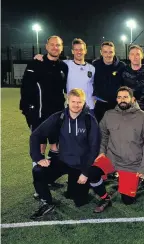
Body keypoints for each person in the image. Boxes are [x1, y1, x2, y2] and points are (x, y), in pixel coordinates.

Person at [29, 88, 100, 220]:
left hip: (80, 165)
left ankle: (85, 183)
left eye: (79, 102)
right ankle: (46, 202)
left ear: (84, 102)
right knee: (38, 171)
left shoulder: (90, 120)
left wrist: (85, 172)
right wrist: (38, 158)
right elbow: (35, 135)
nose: (76, 105)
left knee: (79, 201)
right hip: (62, 160)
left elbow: (94, 149)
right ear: (68, 101)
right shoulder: (58, 117)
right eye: (73, 101)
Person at [87, 86, 144, 212]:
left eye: (125, 97)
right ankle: (105, 197)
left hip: (131, 164)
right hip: (111, 159)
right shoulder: (109, 114)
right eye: (119, 97)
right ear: (116, 99)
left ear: (132, 99)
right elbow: (103, 135)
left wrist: (143, 169)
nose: (122, 100)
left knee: (127, 201)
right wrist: (101, 153)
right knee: (92, 173)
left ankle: (126, 179)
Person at [20, 35, 69, 198]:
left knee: (55, 148)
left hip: (57, 114)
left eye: (58, 45)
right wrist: (28, 110)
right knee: (39, 148)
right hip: (39, 115)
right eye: (52, 45)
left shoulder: (63, 66)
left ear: (62, 48)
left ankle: (49, 178)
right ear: (46, 46)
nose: (55, 48)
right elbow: (25, 88)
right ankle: (38, 185)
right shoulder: (35, 64)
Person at [34, 38, 96, 113]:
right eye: (76, 50)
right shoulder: (65, 64)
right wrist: (41, 56)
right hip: (71, 107)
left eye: (81, 49)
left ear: (85, 51)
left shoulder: (92, 68)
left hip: (88, 107)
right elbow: (51, 60)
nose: (79, 52)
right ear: (72, 51)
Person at [92, 41, 126, 122]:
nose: (108, 54)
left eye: (111, 52)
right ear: (101, 52)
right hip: (100, 104)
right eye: (105, 52)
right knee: (100, 131)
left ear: (114, 52)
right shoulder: (95, 65)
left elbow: (125, 85)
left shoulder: (121, 66)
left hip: (116, 105)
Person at [122, 45, 144, 113]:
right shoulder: (123, 71)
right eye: (132, 54)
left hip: (143, 110)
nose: (135, 57)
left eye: (137, 54)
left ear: (142, 56)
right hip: (126, 109)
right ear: (129, 56)